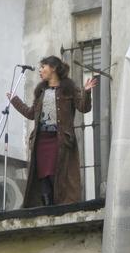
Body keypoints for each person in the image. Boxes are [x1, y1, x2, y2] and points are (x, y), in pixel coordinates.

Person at [7, 56, 97, 207]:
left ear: (53, 68)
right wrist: (15, 100)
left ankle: (58, 205)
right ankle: (47, 206)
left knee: (57, 173)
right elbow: (30, 113)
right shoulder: (41, 91)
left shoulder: (69, 89)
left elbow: (84, 108)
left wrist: (86, 93)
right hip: (41, 140)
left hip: (59, 139)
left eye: (43, 67)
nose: (40, 70)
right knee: (43, 174)